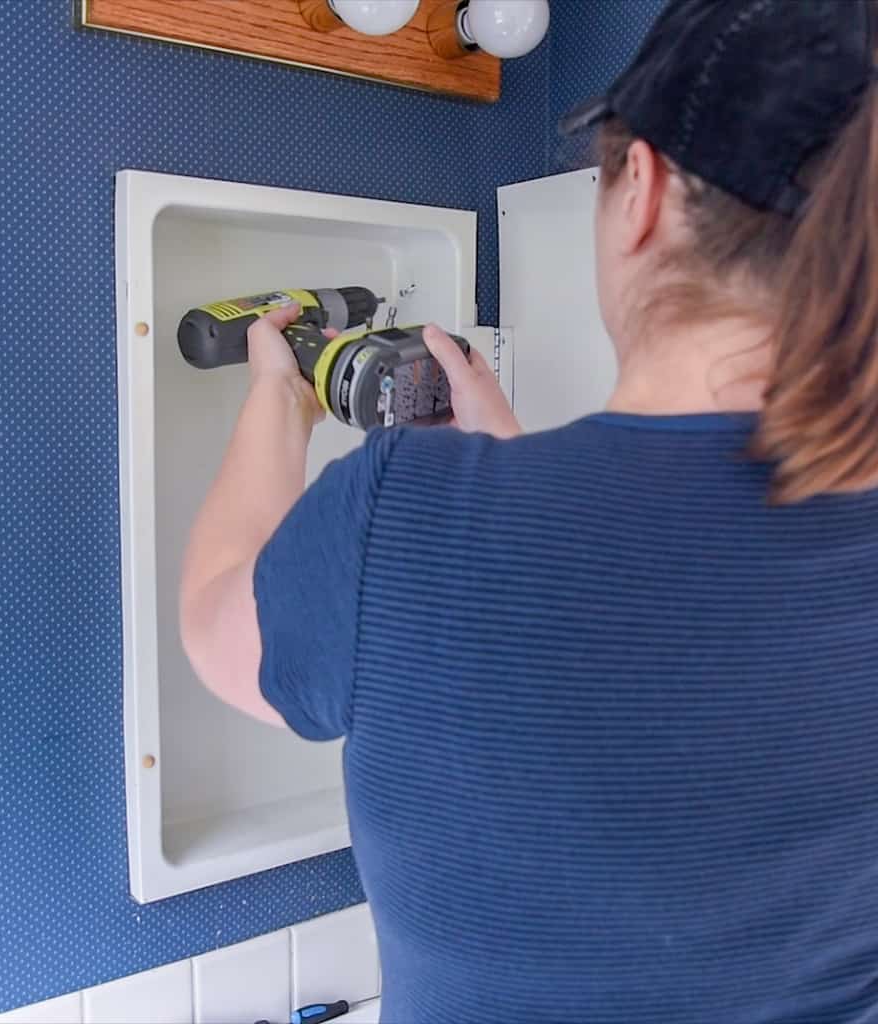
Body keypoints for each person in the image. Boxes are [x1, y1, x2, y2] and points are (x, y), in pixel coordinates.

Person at [180, 0, 878, 1019]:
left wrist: (276, 404)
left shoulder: (398, 520)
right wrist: (501, 476)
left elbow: (213, 619)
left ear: (637, 190)